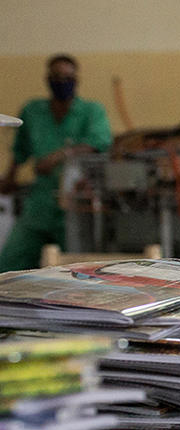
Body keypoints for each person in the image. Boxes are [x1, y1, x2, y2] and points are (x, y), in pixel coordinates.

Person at [0, 54, 112, 271]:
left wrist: (59, 155)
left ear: (76, 80)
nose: (62, 82)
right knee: (11, 262)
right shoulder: (33, 111)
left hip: (76, 200)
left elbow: (99, 142)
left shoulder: (91, 112)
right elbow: (19, 150)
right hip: (40, 201)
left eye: (68, 77)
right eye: (56, 77)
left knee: (75, 267)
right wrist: (9, 179)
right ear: (47, 79)